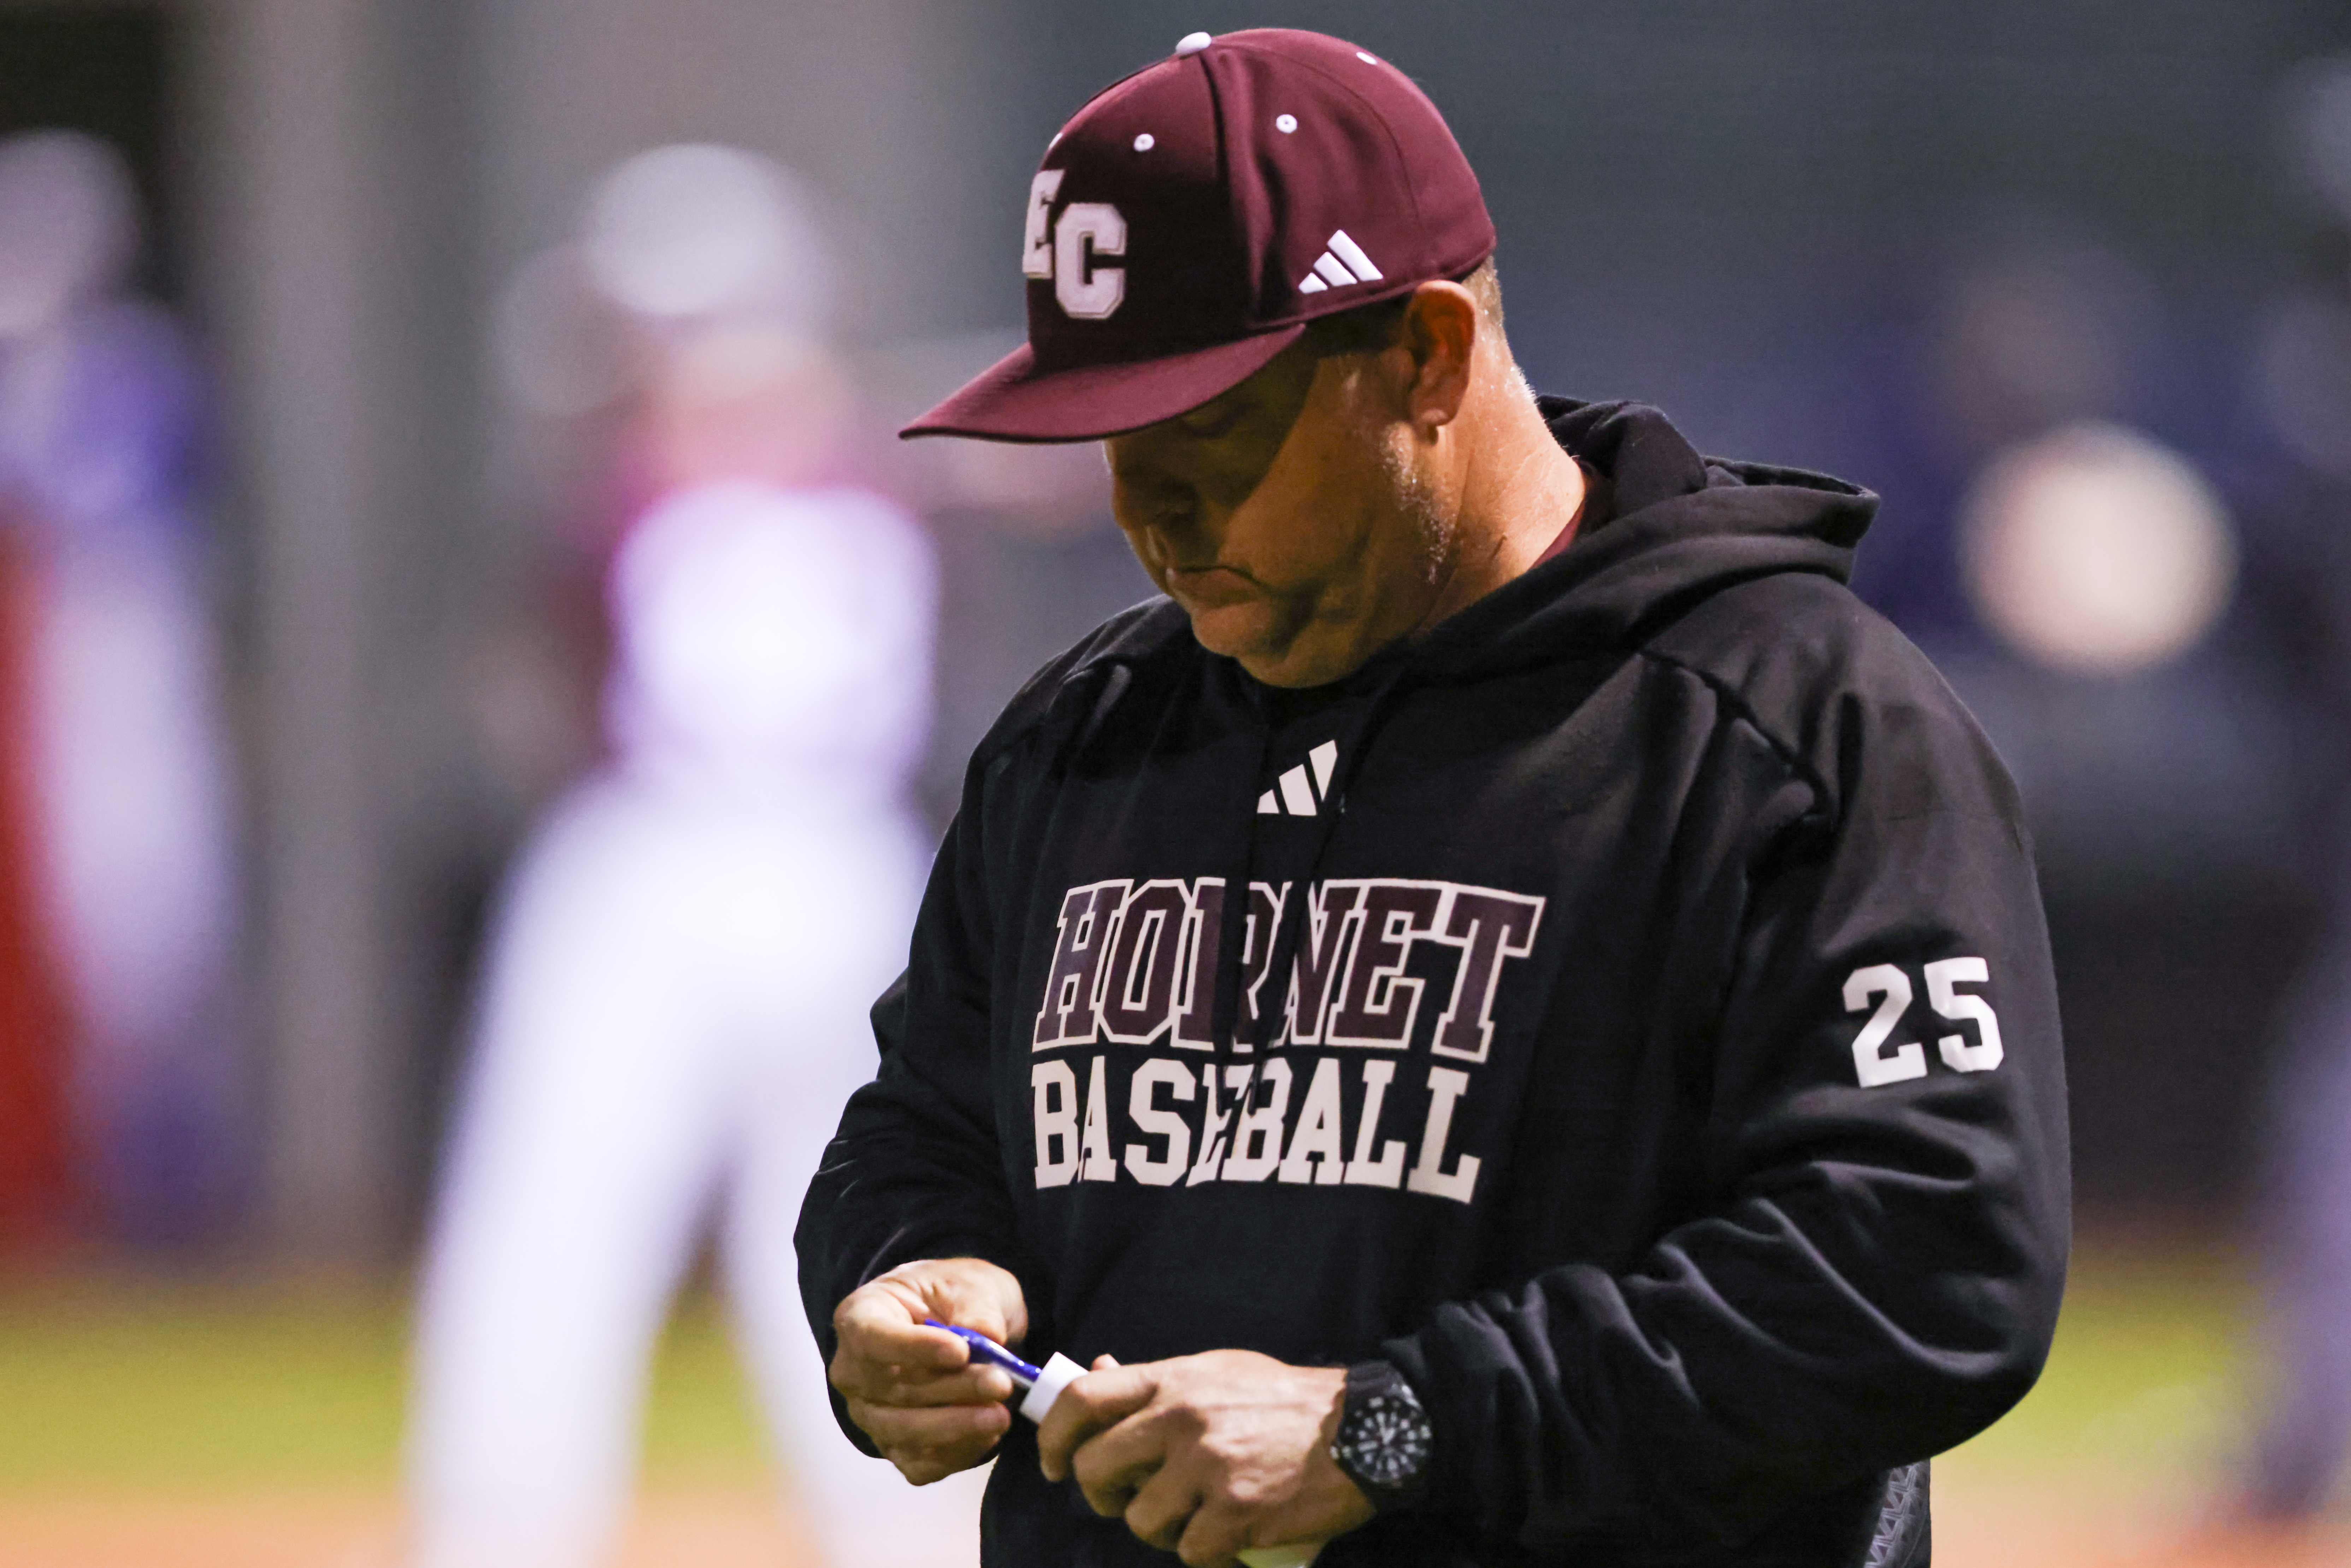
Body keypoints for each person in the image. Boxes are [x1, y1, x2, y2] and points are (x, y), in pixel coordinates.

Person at [799, 28, 2068, 1568]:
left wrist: (1386, 1429)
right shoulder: (1084, 737)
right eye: (1108, 438)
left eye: (1209, 428)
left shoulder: (1782, 725)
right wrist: (913, 1273)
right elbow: (921, 1134)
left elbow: (1928, 1261)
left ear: (1425, 356)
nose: (1148, 510)